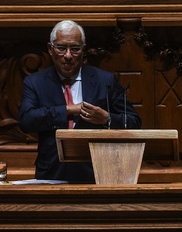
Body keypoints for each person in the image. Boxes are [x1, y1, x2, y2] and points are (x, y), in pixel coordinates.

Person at [19, 20, 141, 183]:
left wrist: (107, 119)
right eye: (61, 48)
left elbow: (133, 122)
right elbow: (27, 120)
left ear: (83, 50)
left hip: (98, 173)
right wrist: (69, 110)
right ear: (50, 49)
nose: (68, 55)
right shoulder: (35, 82)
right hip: (52, 173)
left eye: (75, 49)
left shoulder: (105, 80)